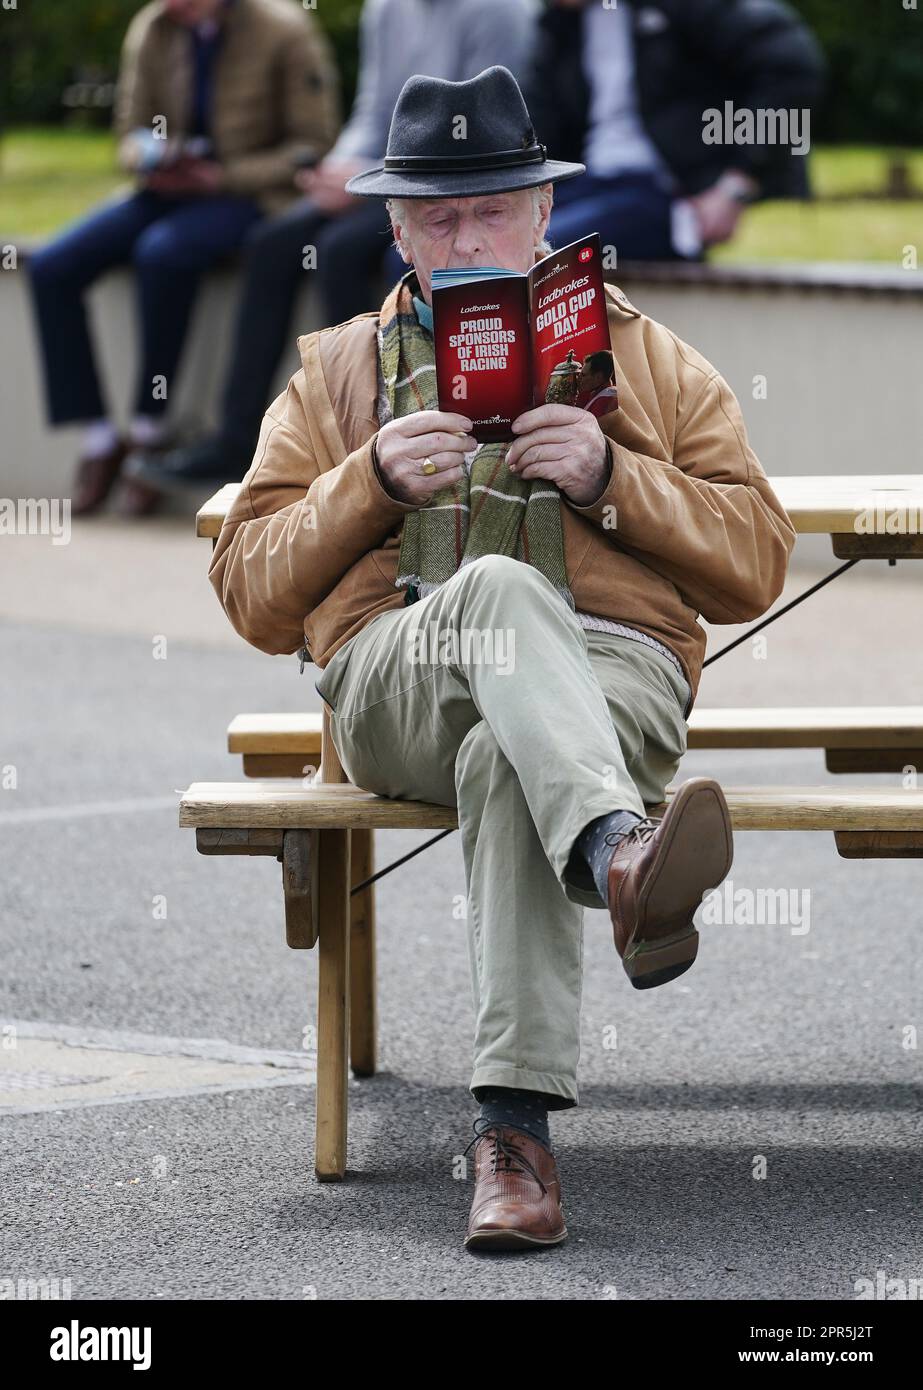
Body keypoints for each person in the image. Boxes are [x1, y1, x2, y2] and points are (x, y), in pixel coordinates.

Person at [207, 66, 796, 1251]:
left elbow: (754, 564)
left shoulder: (649, 361)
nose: (466, 235)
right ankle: (619, 855)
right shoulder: (332, 373)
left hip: (610, 675)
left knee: (501, 762)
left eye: (489, 209)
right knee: (496, 593)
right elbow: (250, 594)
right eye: (437, 215)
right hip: (396, 677)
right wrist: (361, 484)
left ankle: (512, 1142)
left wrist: (611, 476)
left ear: (540, 213)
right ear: (395, 230)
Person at [143, 0, 539, 494]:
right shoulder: (385, 8)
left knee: (340, 251)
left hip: (456, 182)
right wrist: (341, 170)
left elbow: (478, 130)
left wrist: (365, 177)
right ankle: (236, 435)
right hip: (390, 170)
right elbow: (373, 110)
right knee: (271, 243)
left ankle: (371, 424)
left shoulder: (497, 11)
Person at [27, 0, 340, 517]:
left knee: (164, 253)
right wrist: (151, 156)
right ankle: (102, 440)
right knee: (52, 266)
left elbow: (311, 145)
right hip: (166, 190)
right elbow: (128, 129)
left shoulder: (284, 29)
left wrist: (224, 175)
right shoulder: (153, 28)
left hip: (244, 196)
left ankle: (150, 430)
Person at [523, 0, 826, 262]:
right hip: (589, 182)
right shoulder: (562, 26)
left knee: (534, 253)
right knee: (504, 234)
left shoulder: (682, 8)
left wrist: (737, 184)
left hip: (667, 194)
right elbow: (538, 121)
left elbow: (791, 65)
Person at [576, 350, 618, 418]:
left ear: (598, 377)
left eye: (583, 375)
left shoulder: (604, 400)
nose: (579, 378)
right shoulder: (597, 394)